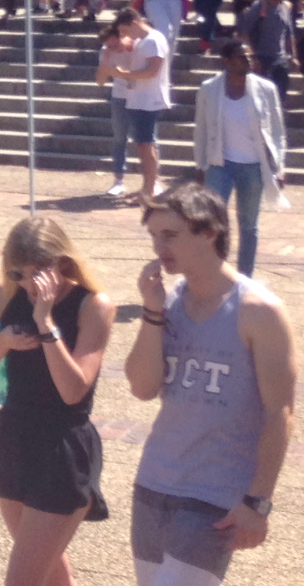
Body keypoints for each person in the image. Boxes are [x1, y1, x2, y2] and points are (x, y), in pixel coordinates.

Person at [124, 184, 296, 586]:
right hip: (153, 482)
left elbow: (281, 413)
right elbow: (142, 388)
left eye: (170, 235)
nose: (158, 247)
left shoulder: (260, 312)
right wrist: (151, 312)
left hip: (214, 496)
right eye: (153, 236)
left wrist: (258, 501)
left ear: (209, 232)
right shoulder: (169, 302)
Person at [0, 217, 116, 586]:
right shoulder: (5, 295)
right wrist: (2, 343)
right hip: (14, 437)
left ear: (62, 262)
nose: (30, 284)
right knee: (52, 576)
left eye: (39, 272)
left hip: (62, 446)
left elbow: (73, 391)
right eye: (19, 273)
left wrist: (45, 325)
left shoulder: (93, 305)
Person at [193, 41, 286, 277]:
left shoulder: (266, 89)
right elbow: (201, 129)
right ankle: (214, 273)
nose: (248, 61)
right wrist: (201, 165)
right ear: (227, 61)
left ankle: (245, 279)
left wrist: (279, 166)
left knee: (249, 226)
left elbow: (277, 130)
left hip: (254, 166)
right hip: (220, 164)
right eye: (242, 57)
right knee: (212, 222)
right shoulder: (209, 89)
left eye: (250, 56)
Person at [105, 8, 173, 201]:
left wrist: (125, 75)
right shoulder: (146, 40)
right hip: (140, 99)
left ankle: (149, 189)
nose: (125, 36)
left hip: (148, 100)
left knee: (145, 144)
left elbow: (152, 70)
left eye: (125, 31)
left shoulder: (153, 40)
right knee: (144, 144)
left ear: (133, 24)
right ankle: (148, 186)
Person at [237, 0, 295, 101]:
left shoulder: (286, 7)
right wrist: (253, 58)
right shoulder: (260, 5)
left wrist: (293, 57)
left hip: (280, 60)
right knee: (261, 98)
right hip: (262, 59)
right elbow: (244, 34)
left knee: (280, 98)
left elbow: (289, 34)